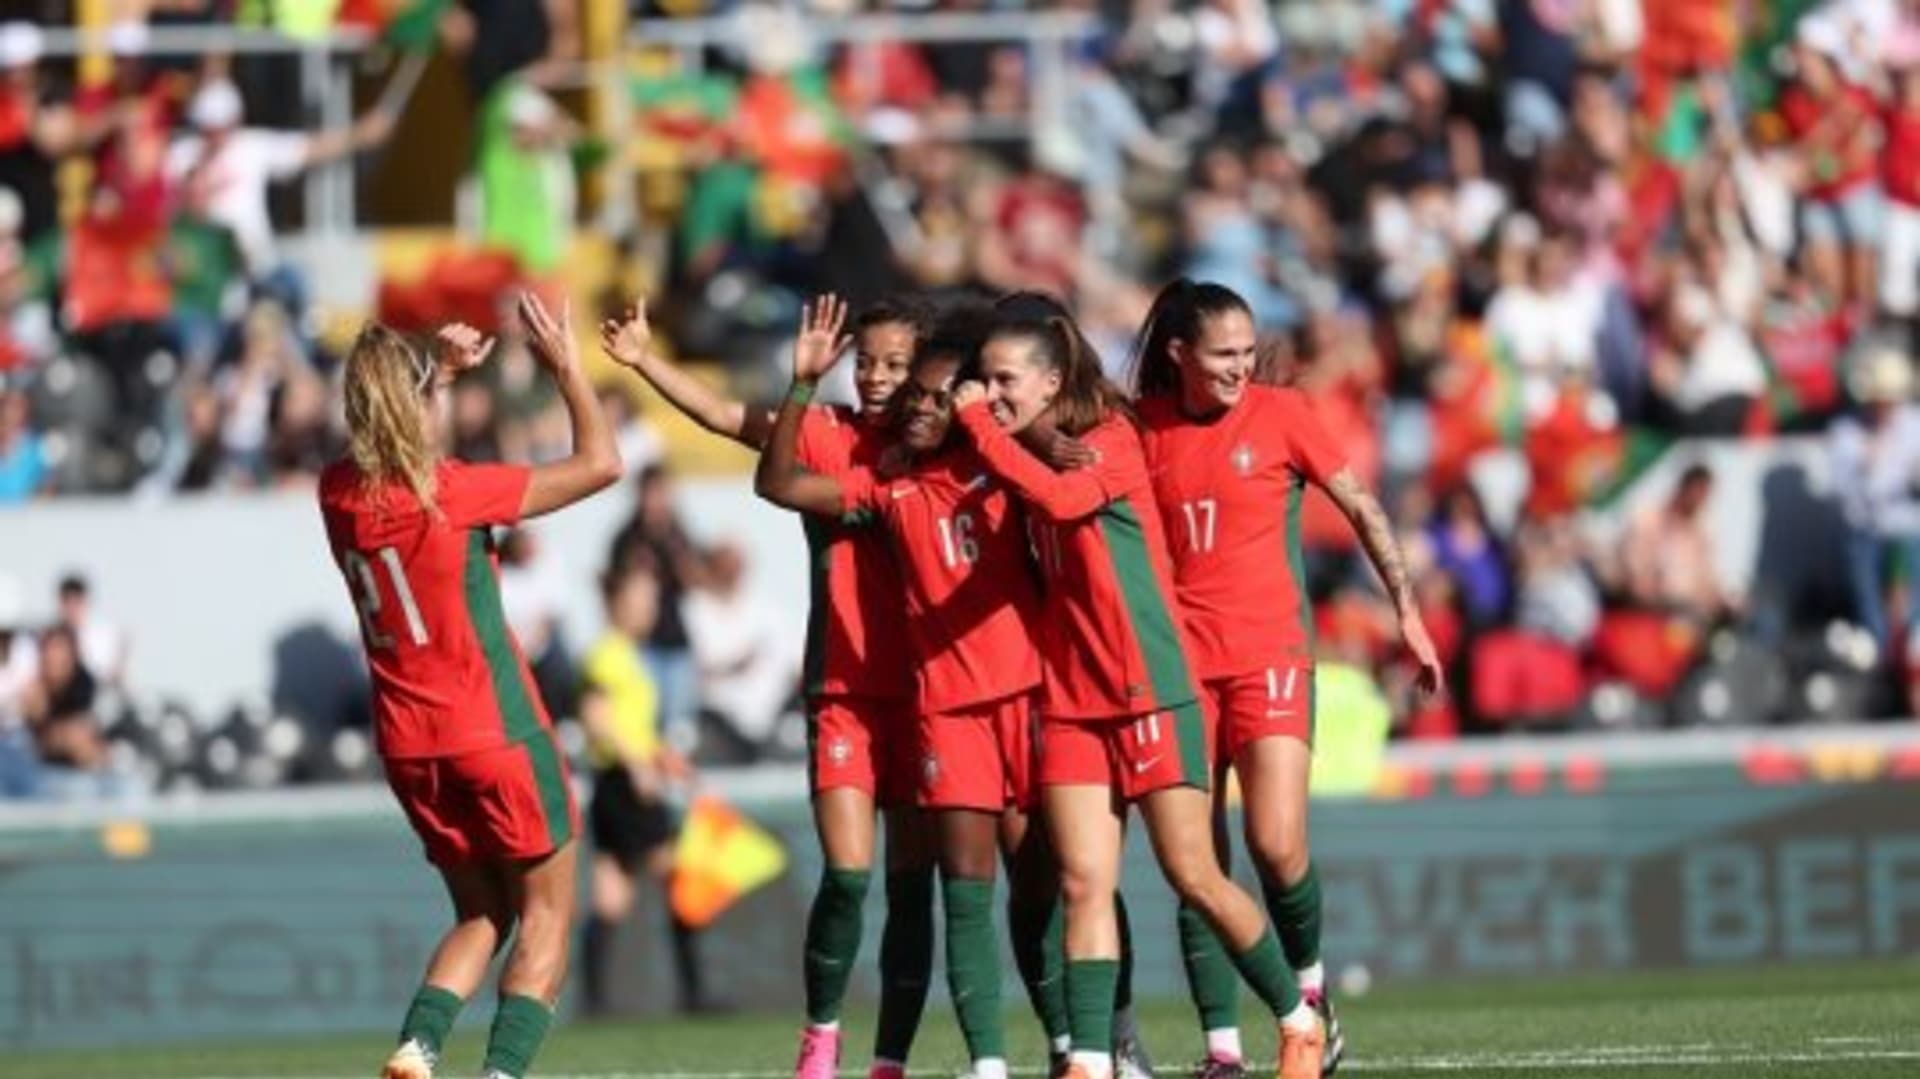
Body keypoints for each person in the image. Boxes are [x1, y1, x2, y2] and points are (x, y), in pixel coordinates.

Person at [947, 292, 1329, 1079]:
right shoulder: (1029, 450)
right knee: (1084, 881)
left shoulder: (1111, 444)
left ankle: (1297, 1020)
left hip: (1153, 687)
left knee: (1194, 872)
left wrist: (983, 427)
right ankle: (1089, 1061)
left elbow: (1054, 495)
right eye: (983, 380)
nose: (990, 393)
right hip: (1074, 702)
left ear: (1052, 383)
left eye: (1005, 378)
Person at [599, 296, 938, 1079]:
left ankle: (890, 1057)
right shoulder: (821, 432)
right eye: (870, 360)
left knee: (912, 884)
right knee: (849, 875)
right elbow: (720, 411)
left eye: (895, 362)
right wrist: (645, 358)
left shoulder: (942, 447)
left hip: (929, 691)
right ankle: (820, 1038)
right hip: (843, 687)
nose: (879, 376)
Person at [1129, 280, 1446, 1079]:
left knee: (1275, 840)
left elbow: (1365, 506)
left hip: (1269, 655)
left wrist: (1406, 611)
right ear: (1180, 355)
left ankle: (1311, 1000)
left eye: (1246, 351)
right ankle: (1222, 1052)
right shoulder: (1141, 430)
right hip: (1179, 670)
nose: (1239, 367)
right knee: (1197, 863)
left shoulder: (1281, 415)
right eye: (1222, 354)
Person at [755, 300, 1064, 1079]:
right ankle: (961, 1060)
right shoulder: (889, 488)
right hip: (932, 708)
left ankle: (1088, 1045)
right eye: (906, 386)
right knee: (940, 884)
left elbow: (1070, 471)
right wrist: (799, 386)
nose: (911, 399)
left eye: (931, 391)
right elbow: (778, 482)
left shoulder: (1007, 466)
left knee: (1050, 890)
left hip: (1029, 701)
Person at [319, 294, 621, 1079]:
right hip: (495, 729)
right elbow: (602, 463)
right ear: (412, 401)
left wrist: (438, 376)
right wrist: (566, 371)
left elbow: (395, 446)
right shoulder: (454, 491)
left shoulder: (336, 495)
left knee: (480, 912)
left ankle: (417, 1048)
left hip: (410, 746)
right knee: (548, 914)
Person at [577, 561, 711, 1017]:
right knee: (679, 880)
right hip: (623, 785)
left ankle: (593, 1003)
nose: (649, 609)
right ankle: (694, 994)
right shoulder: (606, 654)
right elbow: (596, 716)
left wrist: (668, 761)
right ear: (616, 603)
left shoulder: (631, 655)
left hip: (617, 784)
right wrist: (638, 766)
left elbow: (633, 727)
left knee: (610, 897)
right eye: (641, 600)